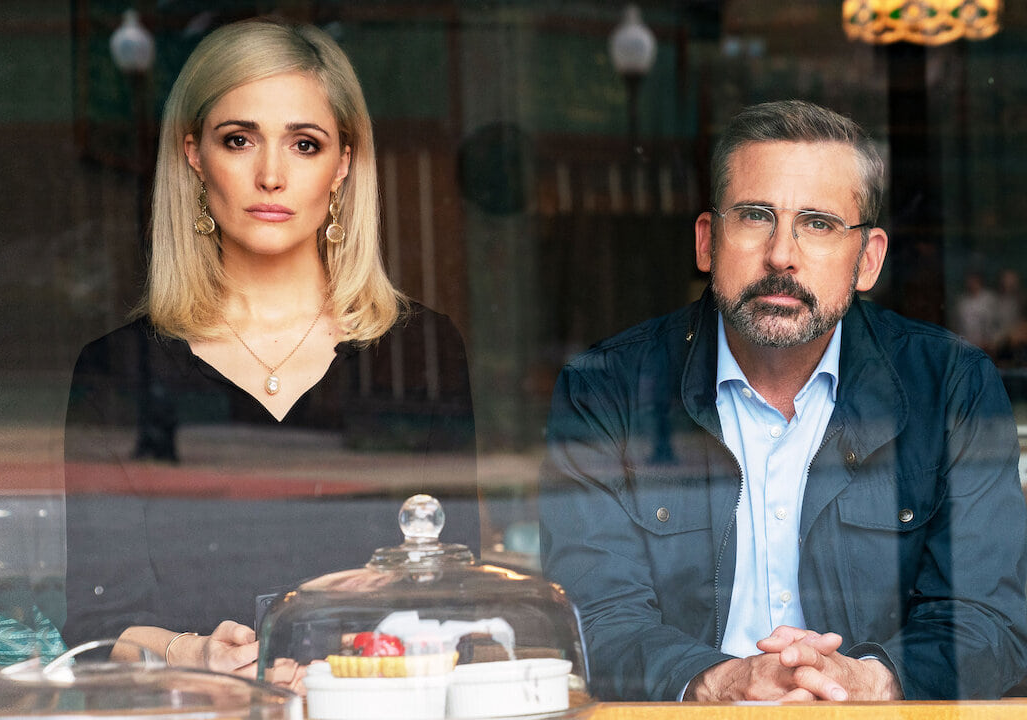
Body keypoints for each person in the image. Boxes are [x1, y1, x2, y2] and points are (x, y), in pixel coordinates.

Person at [538, 100, 1027, 702]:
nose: (780, 254)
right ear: (707, 242)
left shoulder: (953, 387)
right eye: (754, 216)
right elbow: (594, 616)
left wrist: (866, 681)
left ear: (868, 260)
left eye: (818, 223)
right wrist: (722, 683)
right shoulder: (605, 389)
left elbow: (987, 619)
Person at [62, 18, 477, 677]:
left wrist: (351, 674)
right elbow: (95, 630)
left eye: (305, 144)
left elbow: (456, 601)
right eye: (239, 139)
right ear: (194, 155)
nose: (271, 175)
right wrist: (192, 655)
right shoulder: (117, 369)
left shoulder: (422, 351)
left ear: (343, 165)